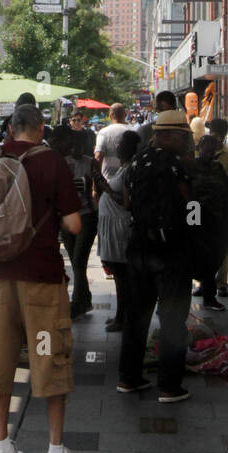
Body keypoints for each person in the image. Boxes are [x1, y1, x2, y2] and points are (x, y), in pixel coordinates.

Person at [0, 101, 84, 453]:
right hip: (41, 279)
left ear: (10, 129)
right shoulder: (52, 162)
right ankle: (56, 452)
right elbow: (73, 225)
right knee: (48, 354)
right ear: (38, 128)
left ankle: (2, 447)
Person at [117, 110, 197, 404]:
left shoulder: (137, 160)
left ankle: (128, 378)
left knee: (136, 316)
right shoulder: (177, 165)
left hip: (138, 248)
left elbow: (126, 200)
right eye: (184, 136)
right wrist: (194, 226)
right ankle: (169, 386)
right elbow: (190, 204)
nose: (187, 141)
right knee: (173, 318)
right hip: (171, 251)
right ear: (170, 135)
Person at [94, 129, 140, 331]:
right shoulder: (125, 168)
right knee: (119, 275)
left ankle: (122, 318)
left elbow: (127, 202)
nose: (118, 148)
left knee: (121, 277)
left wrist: (105, 188)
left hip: (119, 228)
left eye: (121, 146)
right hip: (112, 226)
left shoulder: (131, 170)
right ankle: (121, 315)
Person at [51, 124, 97, 318]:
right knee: (76, 261)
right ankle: (84, 300)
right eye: (74, 145)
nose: (76, 149)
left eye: (80, 145)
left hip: (87, 215)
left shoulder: (91, 163)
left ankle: (79, 302)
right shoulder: (64, 162)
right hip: (68, 215)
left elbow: (98, 185)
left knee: (78, 259)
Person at [192, 133, 228, 311]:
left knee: (212, 256)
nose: (209, 152)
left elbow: (226, 193)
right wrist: (191, 223)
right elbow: (188, 195)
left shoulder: (218, 168)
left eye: (212, 149)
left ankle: (209, 295)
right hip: (195, 216)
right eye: (206, 148)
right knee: (194, 255)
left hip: (215, 218)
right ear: (199, 148)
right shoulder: (191, 167)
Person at [204, 116, 228, 298]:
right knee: (201, 243)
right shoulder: (198, 156)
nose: (213, 137)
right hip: (200, 209)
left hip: (221, 208)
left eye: (216, 134)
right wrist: (190, 216)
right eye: (211, 132)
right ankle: (204, 280)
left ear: (222, 135)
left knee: (222, 244)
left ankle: (222, 282)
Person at [94, 104, 131, 183]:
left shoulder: (104, 132)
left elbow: (98, 157)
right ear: (125, 115)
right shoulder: (134, 131)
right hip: (129, 182)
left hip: (108, 184)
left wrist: (96, 185)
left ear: (110, 116)